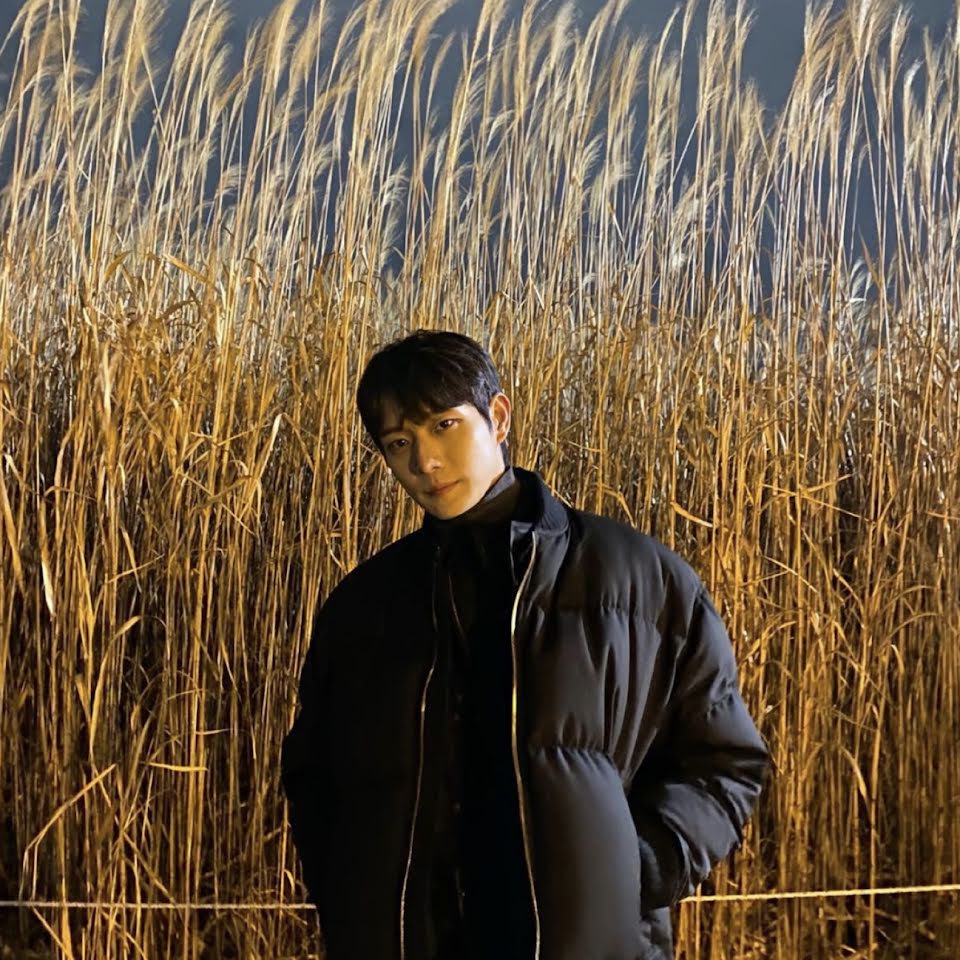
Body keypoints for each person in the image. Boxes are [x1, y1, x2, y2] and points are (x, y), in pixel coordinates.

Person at [281, 330, 770, 960]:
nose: (426, 461)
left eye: (445, 425)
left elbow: (725, 760)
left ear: (499, 416)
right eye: (399, 442)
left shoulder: (637, 579)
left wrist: (640, 868)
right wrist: (350, 900)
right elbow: (316, 777)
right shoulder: (365, 606)